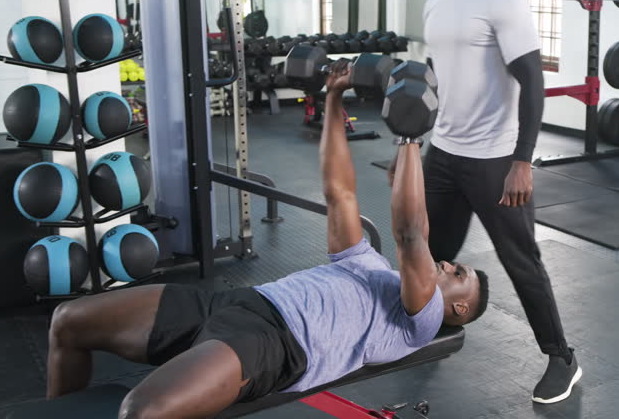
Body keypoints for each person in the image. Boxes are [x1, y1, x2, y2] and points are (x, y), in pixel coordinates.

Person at [44, 61, 490, 418]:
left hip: (275, 344)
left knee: (141, 411)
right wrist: (333, 98)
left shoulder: (424, 319)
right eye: (455, 264)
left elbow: (412, 233)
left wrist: (410, 137)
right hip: (237, 303)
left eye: (458, 274)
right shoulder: (367, 264)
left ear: (460, 307)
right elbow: (340, 192)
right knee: (69, 321)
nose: (449, 265)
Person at [394, 0, 581, 404]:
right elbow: (436, 79)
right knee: (428, 250)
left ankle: (562, 358)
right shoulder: (436, 3)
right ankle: (426, 328)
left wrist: (523, 160)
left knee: (521, 261)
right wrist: (412, 144)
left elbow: (533, 79)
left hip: (496, 159)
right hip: (445, 152)